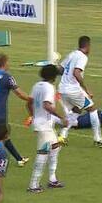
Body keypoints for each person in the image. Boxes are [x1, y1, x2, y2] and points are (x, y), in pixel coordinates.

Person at [57, 36, 102, 148]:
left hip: (62, 89)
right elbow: (76, 73)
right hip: (73, 90)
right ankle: (98, 139)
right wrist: (86, 89)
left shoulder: (72, 54)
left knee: (77, 109)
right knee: (92, 109)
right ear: (87, 46)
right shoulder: (82, 57)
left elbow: (60, 69)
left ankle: (62, 135)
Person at [27, 65, 68, 193]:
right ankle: (33, 184)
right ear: (53, 76)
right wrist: (61, 118)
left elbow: (29, 102)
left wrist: (33, 116)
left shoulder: (36, 85)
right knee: (43, 153)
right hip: (44, 125)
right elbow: (47, 105)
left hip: (42, 124)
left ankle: (52, 179)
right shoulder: (49, 87)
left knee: (55, 147)